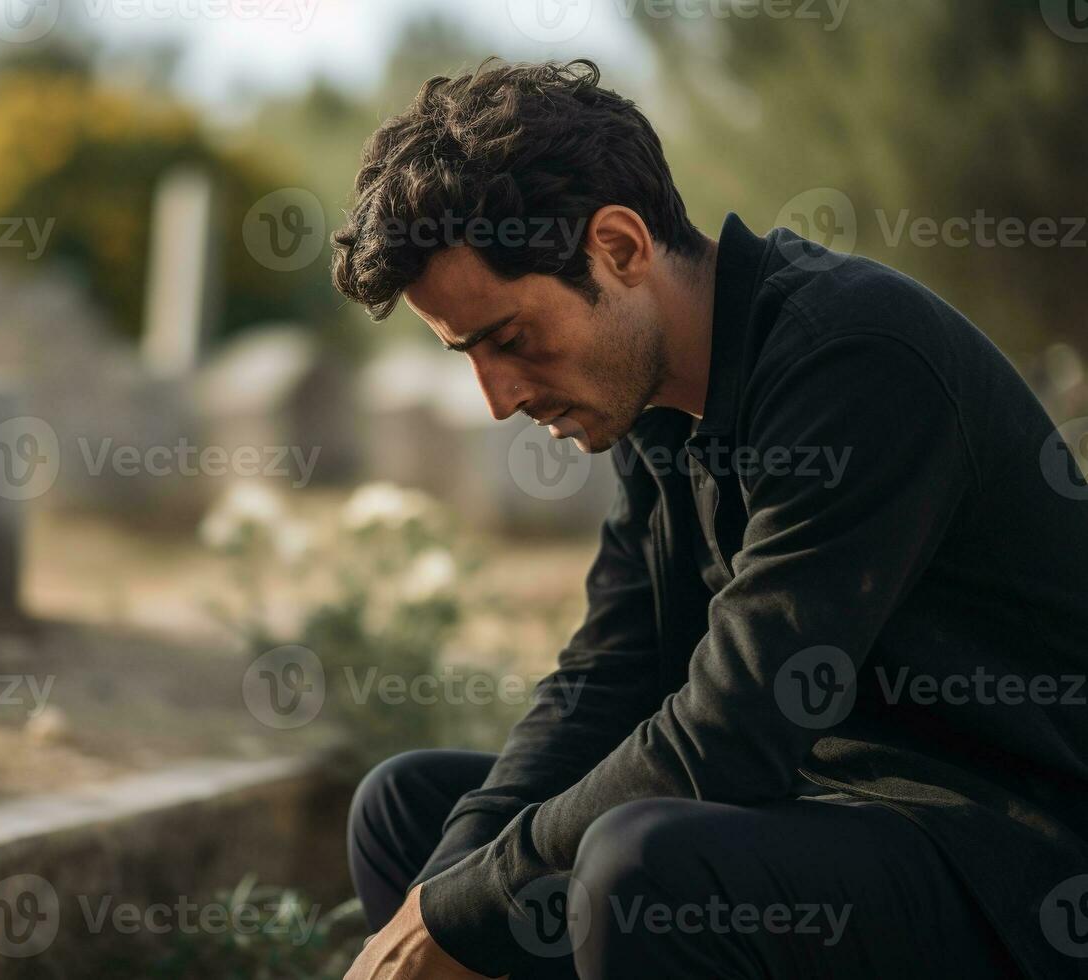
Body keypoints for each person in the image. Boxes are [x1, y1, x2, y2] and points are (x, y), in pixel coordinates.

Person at [329, 58, 1088, 980]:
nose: (496, 398)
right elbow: (609, 679)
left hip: (1001, 859)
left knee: (638, 868)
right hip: (822, 805)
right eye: (467, 356)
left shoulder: (854, 360)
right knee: (411, 812)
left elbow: (731, 733)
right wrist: (446, 893)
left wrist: (465, 907)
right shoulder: (656, 405)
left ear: (619, 247)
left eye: (511, 340)